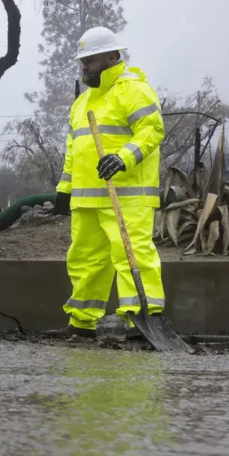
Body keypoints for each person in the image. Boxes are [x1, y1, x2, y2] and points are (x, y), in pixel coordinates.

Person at [52, 26, 166, 338]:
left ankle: (142, 321)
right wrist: (64, 189)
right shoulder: (82, 103)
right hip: (87, 200)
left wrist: (123, 157)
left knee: (133, 255)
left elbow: (152, 130)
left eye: (89, 59)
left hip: (127, 195)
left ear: (112, 56)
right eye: (82, 60)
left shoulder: (134, 90)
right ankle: (81, 322)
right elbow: (74, 150)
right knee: (85, 261)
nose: (84, 66)